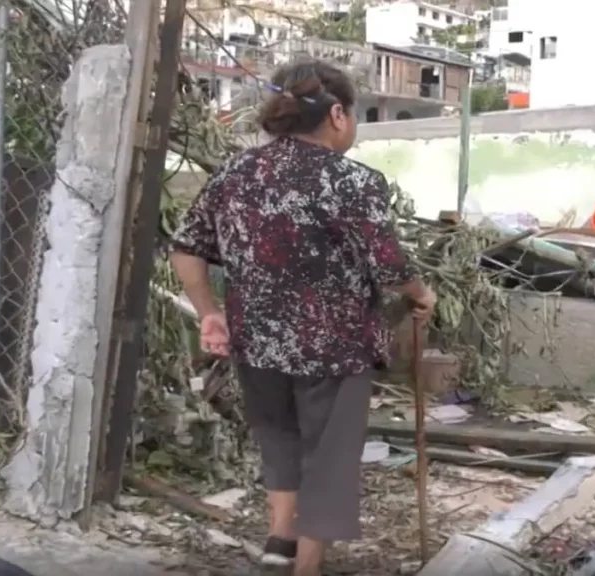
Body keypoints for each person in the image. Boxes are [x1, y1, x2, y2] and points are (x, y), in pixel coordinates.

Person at [169, 60, 437, 576]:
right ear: (337, 113)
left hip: (257, 340)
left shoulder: (235, 174)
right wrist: (423, 294)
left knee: (280, 439)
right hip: (335, 347)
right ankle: (306, 567)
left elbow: (186, 248)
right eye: (353, 115)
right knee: (328, 456)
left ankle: (279, 540)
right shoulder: (353, 181)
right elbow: (389, 265)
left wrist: (210, 313)